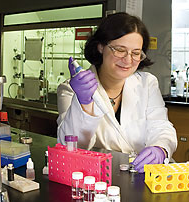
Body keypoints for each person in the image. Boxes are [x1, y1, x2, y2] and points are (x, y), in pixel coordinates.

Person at [57, 12, 177, 173]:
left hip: (147, 176)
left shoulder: (147, 83)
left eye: (135, 53)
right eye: (120, 50)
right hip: (103, 178)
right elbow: (70, 146)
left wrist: (161, 149)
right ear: (101, 47)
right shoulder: (71, 89)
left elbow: (162, 127)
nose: (128, 60)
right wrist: (83, 104)